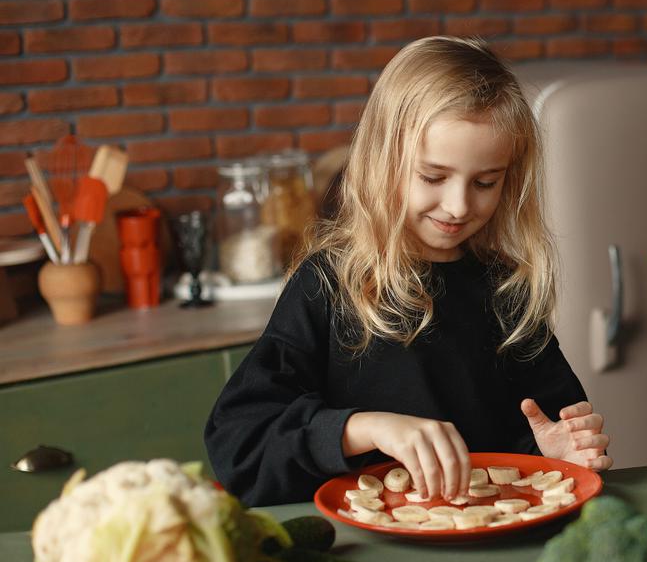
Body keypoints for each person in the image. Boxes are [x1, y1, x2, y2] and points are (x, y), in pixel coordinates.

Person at [206, 36, 611, 506]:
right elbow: (240, 445)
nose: (459, 206)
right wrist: (362, 427)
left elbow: (540, 444)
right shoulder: (327, 285)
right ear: (384, 160)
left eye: (485, 182)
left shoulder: (507, 292)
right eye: (433, 177)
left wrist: (558, 454)